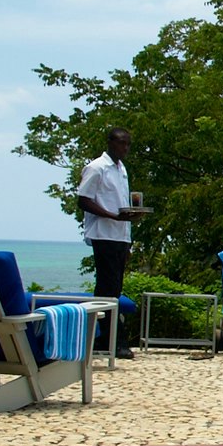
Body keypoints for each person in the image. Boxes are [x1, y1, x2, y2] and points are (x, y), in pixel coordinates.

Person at [75, 126, 142, 357]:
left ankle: (105, 337)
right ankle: (114, 338)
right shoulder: (97, 168)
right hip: (104, 233)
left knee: (114, 287)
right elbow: (84, 200)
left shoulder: (121, 169)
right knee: (107, 287)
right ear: (111, 143)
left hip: (120, 234)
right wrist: (112, 216)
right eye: (122, 143)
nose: (125, 148)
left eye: (128, 144)